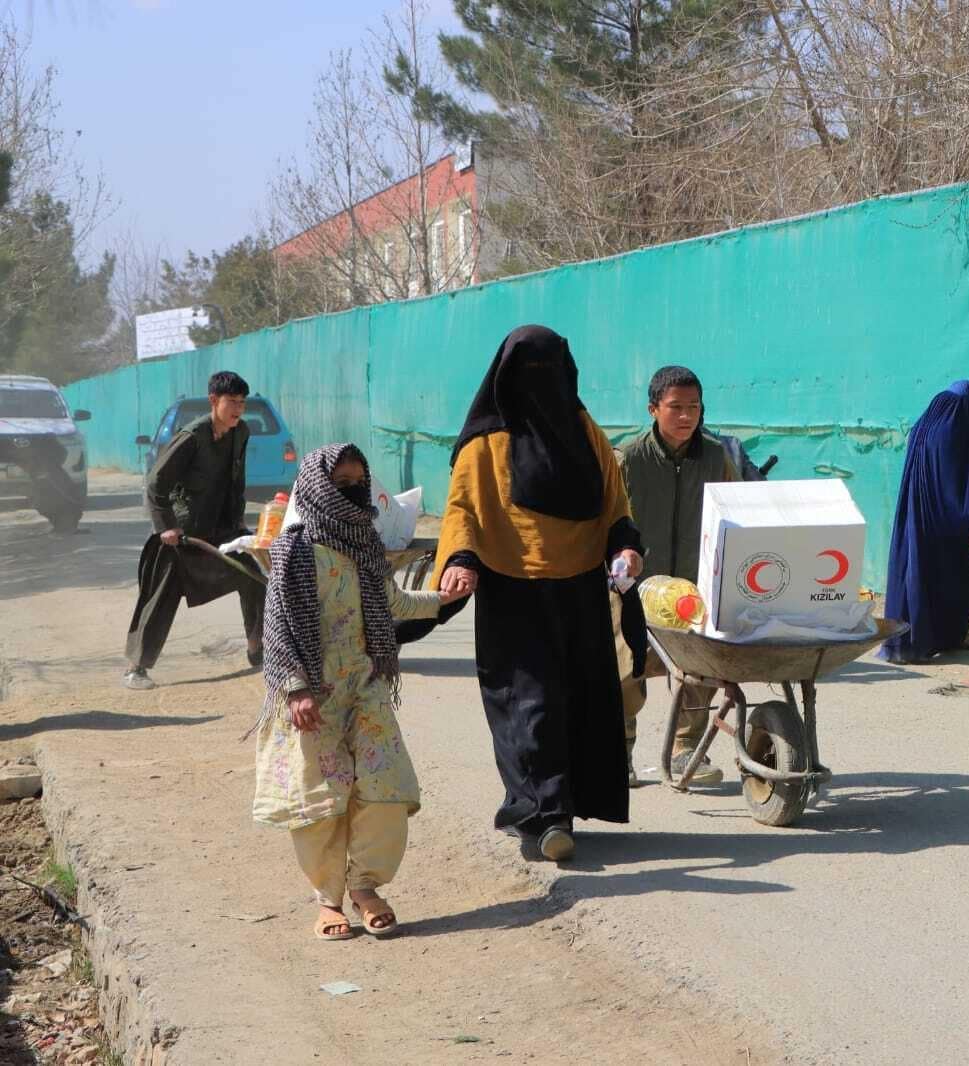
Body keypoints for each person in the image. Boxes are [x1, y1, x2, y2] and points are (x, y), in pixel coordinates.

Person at [433, 325, 644, 864]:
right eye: (530, 372)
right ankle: (540, 815)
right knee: (530, 703)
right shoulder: (486, 443)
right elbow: (462, 510)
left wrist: (625, 544)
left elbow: (614, 500)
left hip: (579, 586)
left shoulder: (583, 430)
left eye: (550, 370)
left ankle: (565, 806)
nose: (541, 383)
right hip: (512, 589)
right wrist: (459, 560)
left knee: (581, 698)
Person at [252, 444, 463, 941]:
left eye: (357, 481)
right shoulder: (294, 549)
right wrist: (296, 689)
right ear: (317, 487)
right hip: (312, 694)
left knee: (384, 786)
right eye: (340, 482)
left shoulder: (364, 541)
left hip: (365, 685)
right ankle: (329, 900)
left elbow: (392, 602)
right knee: (322, 801)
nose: (351, 490)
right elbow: (278, 626)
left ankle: (366, 887)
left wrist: (447, 598)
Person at [614, 366, 741, 787]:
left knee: (697, 670)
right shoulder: (627, 458)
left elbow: (735, 511)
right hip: (634, 586)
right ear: (653, 409)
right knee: (625, 672)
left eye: (694, 407)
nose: (686, 416)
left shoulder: (715, 456)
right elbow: (607, 518)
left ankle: (687, 749)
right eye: (675, 408)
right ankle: (620, 752)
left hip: (693, 586)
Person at [124, 370, 265, 690]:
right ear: (214, 401)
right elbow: (156, 484)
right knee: (160, 597)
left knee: (253, 574)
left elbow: (235, 481)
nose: (238, 409)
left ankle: (258, 649)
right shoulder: (190, 438)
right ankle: (136, 668)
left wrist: (238, 524)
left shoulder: (240, 432)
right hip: (182, 533)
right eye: (232, 402)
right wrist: (166, 527)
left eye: (243, 403)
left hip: (221, 527)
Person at [880, 380, 969, 664]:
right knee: (959, 579)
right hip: (943, 520)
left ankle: (921, 641)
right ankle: (952, 636)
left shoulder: (923, 425)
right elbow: (957, 480)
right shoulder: (954, 428)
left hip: (916, 518)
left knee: (918, 576)